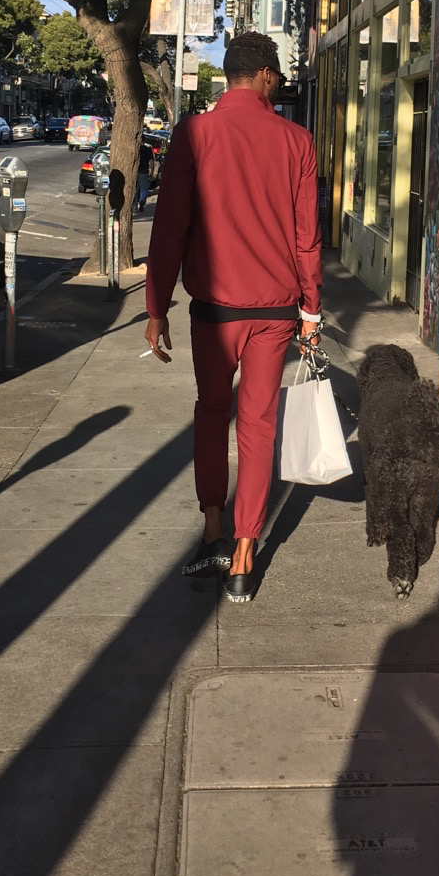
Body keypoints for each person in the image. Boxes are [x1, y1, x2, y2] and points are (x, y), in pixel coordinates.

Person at [143, 32, 322, 603]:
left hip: (213, 312)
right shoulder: (297, 141)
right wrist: (311, 309)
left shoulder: (193, 134)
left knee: (210, 414)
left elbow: (169, 230)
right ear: (266, 75)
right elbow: (306, 238)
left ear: (229, 76)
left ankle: (213, 532)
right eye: (278, 77)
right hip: (273, 313)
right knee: (258, 426)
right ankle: (246, 555)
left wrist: (155, 307)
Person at [135, 138, 153, 212]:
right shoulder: (147, 150)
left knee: (135, 189)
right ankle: (142, 200)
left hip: (135, 172)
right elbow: (151, 162)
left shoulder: (135, 149)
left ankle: (135, 206)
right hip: (144, 172)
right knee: (144, 188)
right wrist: (151, 172)